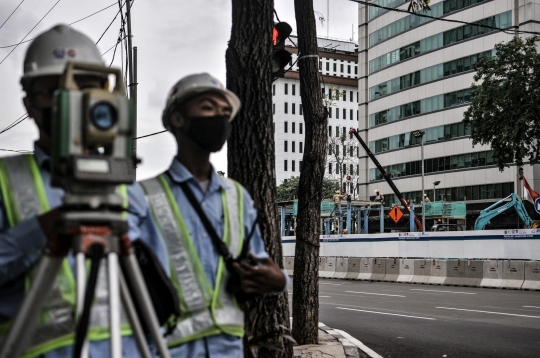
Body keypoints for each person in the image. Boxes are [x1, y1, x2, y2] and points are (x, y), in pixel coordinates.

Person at [0, 25, 167, 357]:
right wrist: (38, 232)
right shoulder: (4, 181)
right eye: (55, 90)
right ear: (30, 104)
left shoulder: (130, 192)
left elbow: (157, 292)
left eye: (85, 89)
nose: (72, 102)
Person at [138, 73, 287, 358]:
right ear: (178, 119)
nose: (219, 117)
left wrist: (277, 281)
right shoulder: (141, 197)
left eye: (225, 112)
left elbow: (258, 263)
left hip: (226, 349)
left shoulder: (237, 197)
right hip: (165, 349)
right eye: (208, 108)